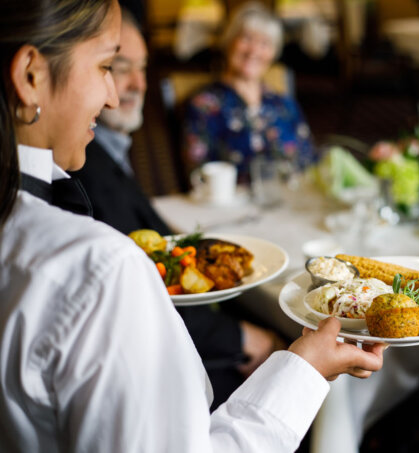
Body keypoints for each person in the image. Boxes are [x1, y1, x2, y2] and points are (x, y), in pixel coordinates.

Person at [0, 1, 385, 451]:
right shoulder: (101, 268)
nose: (110, 96)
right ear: (31, 76)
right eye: (106, 65)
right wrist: (305, 367)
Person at [68, 8, 286, 408]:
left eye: (143, 68)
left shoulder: (110, 150)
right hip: (164, 369)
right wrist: (242, 338)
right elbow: (134, 298)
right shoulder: (86, 168)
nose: (136, 85)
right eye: (116, 67)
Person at [183, 1, 316, 182]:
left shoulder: (283, 104)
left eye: (265, 43)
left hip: (289, 201)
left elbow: (310, 160)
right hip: (233, 206)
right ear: (230, 41)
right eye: (246, 39)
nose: (254, 50)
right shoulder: (205, 105)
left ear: (273, 53)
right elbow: (198, 174)